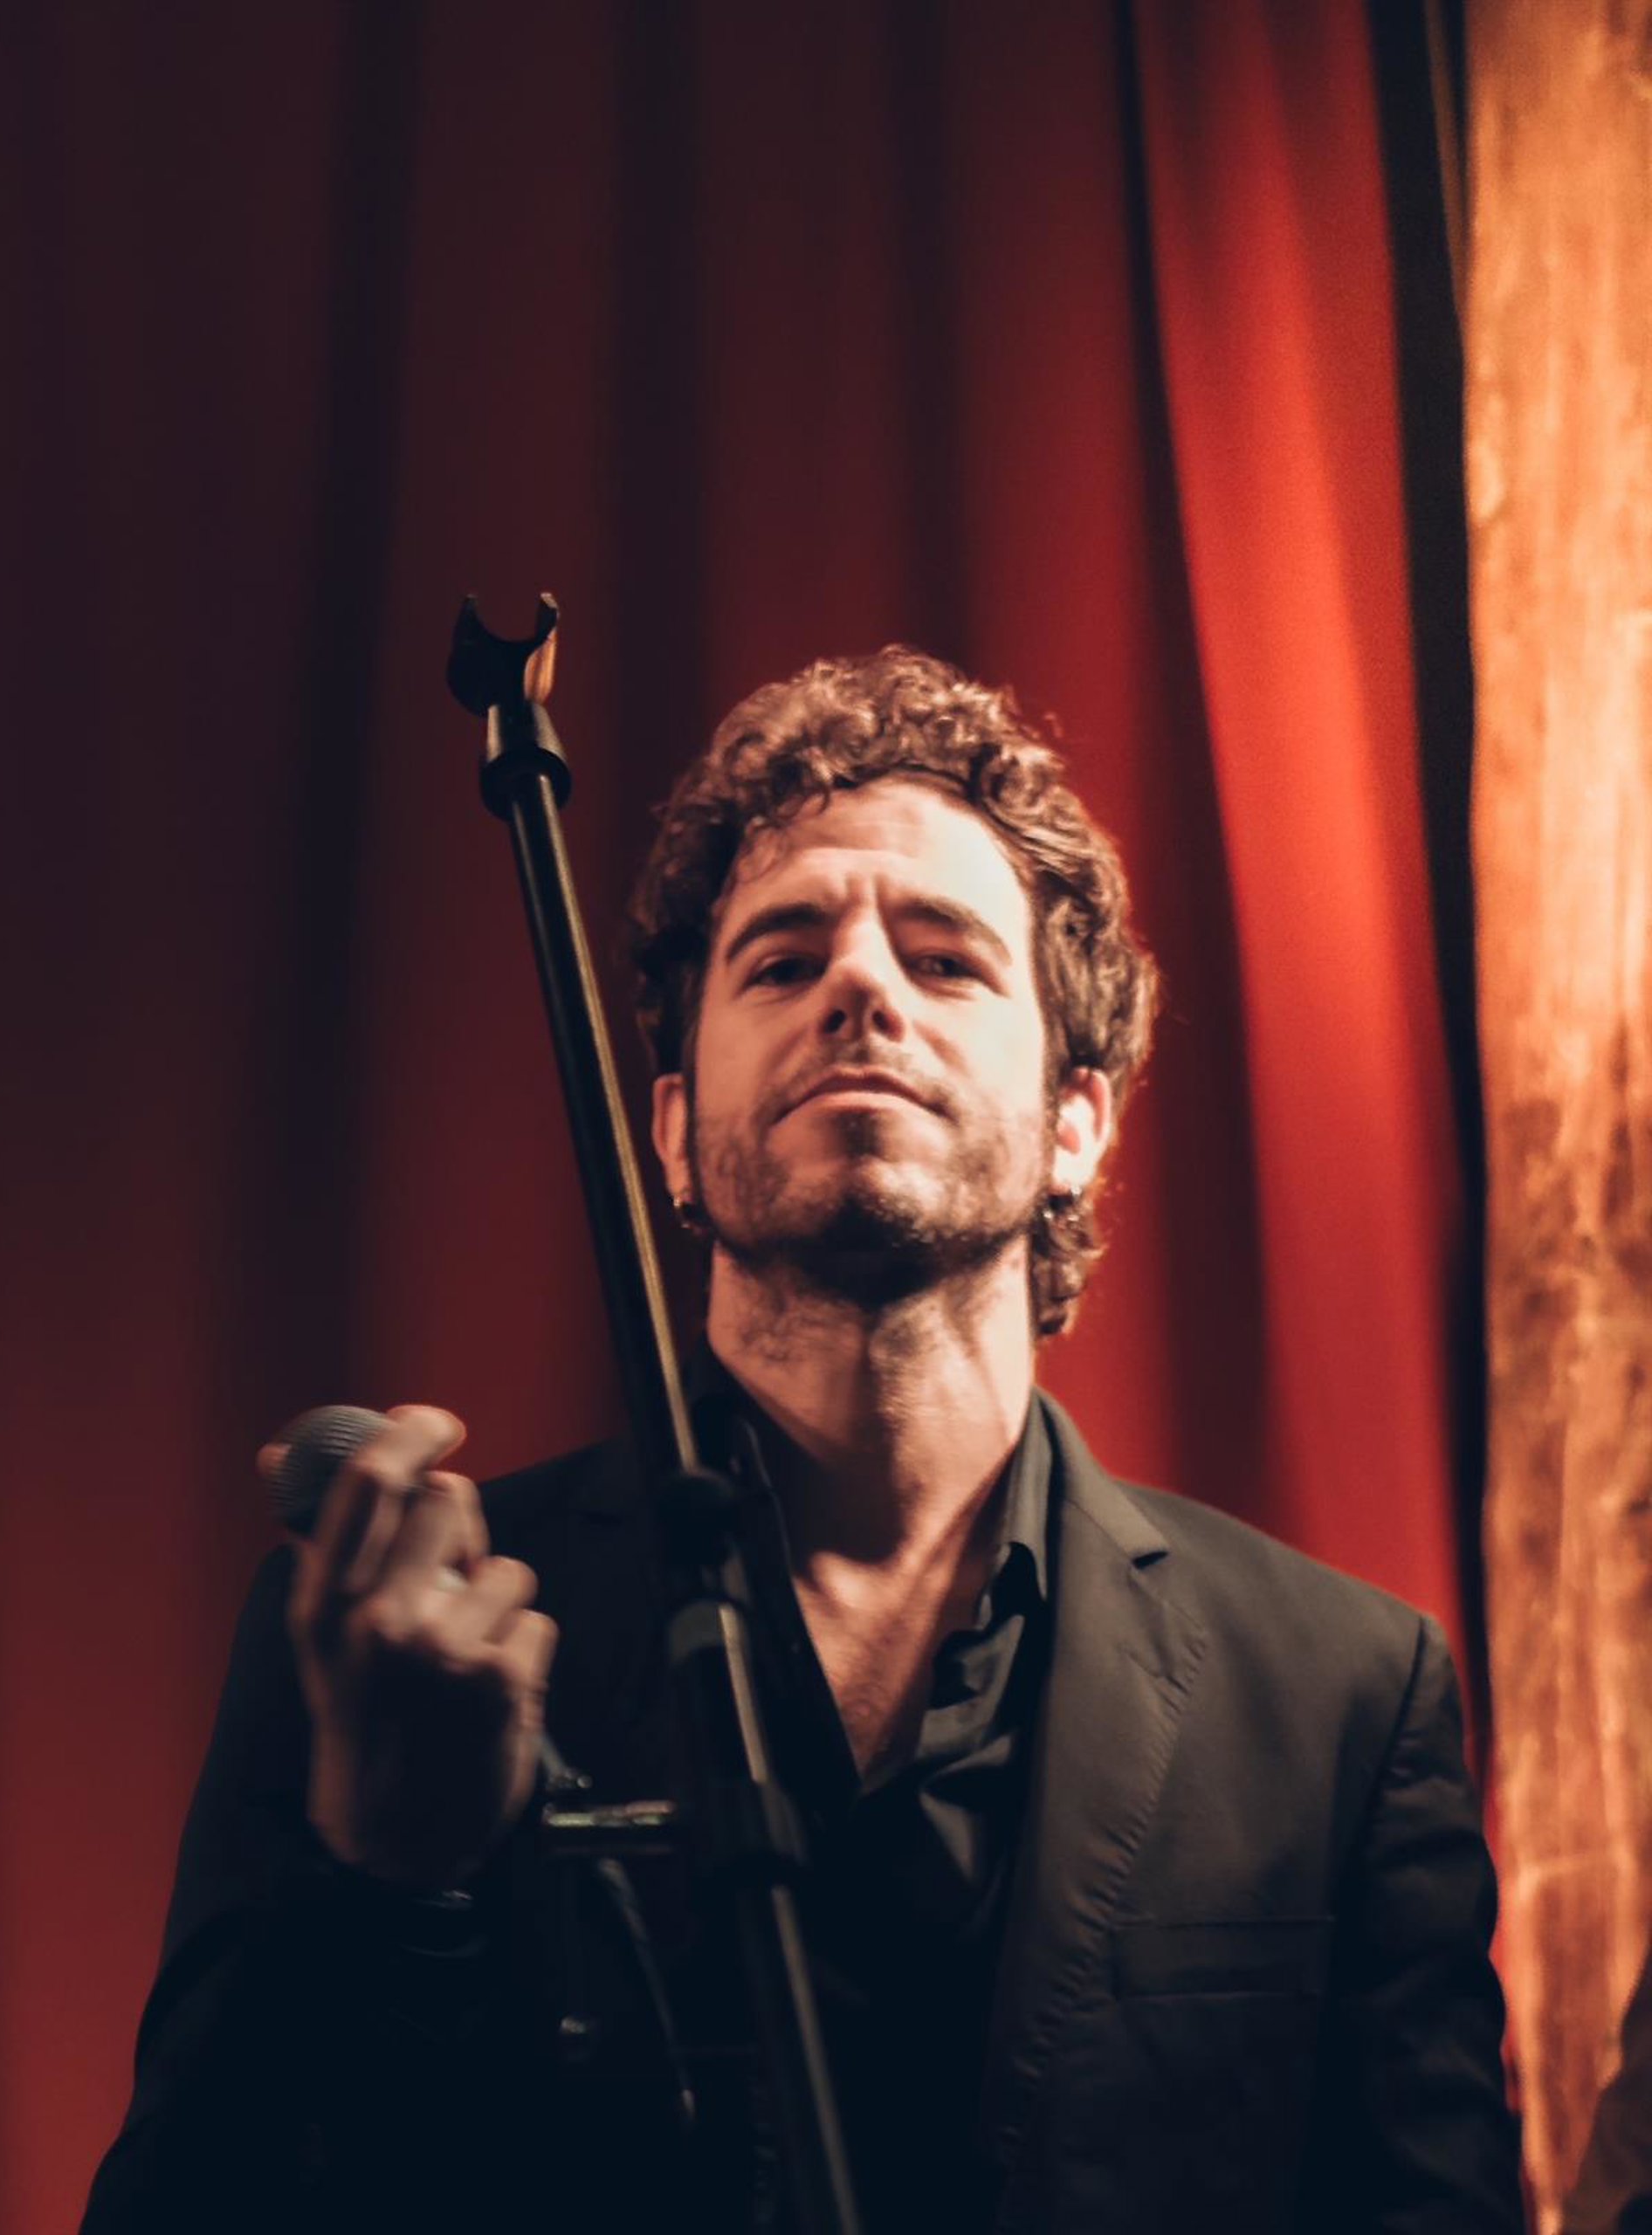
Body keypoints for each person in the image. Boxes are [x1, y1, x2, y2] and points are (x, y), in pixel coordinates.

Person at [82, 648, 1525, 2232]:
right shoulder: (378, 1650)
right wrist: (395, 1884)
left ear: (1077, 1125)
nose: (860, 988)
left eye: (946, 959)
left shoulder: (1345, 1701)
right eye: (781, 961)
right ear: (671, 1132)